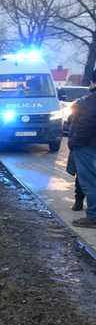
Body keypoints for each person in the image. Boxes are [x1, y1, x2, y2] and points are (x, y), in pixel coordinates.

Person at [68, 69, 96, 227]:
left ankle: (93, 217)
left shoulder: (90, 101)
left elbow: (87, 123)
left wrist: (74, 142)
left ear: (93, 82)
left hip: (87, 146)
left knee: (90, 182)